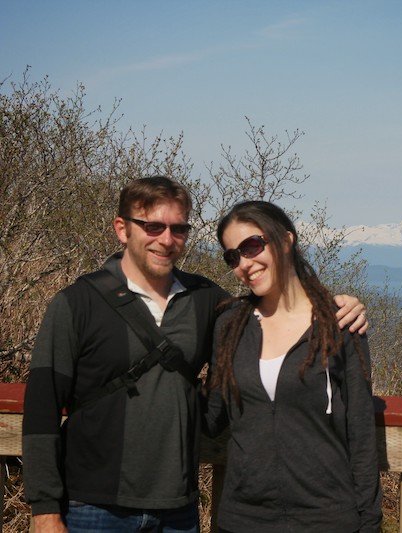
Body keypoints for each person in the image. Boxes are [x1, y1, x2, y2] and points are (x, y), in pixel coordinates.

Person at [22, 176, 368, 533]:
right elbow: (41, 408)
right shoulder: (77, 303)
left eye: (178, 229)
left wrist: (338, 305)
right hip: (93, 507)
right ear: (122, 229)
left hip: (178, 510)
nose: (166, 240)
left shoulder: (205, 299)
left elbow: (271, 308)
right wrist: (45, 510)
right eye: (153, 226)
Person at [203, 200, 382, 532]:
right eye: (233, 256)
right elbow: (212, 417)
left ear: (286, 241)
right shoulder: (229, 325)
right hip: (243, 520)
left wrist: (369, 523)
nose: (244, 263)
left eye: (252, 245)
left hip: (325, 518)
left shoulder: (339, 324)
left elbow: (360, 434)